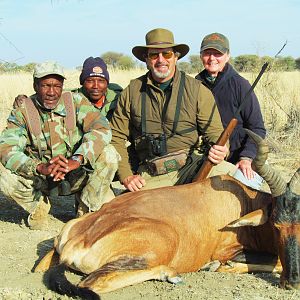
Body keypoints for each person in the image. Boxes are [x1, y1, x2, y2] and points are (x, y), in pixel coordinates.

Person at [110, 28, 236, 193]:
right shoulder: (132, 91)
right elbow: (116, 137)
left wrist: (221, 150)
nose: (161, 60)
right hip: (151, 175)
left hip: (193, 167)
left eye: (167, 54)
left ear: (176, 57)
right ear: (146, 59)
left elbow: (216, 134)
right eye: (154, 55)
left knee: (241, 181)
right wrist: (126, 175)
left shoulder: (197, 90)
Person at [0, 61, 120, 230]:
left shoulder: (76, 102)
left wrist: (77, 159)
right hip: (41, 178)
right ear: (35, 85)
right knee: (3, 170)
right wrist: (39, 167)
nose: (51, 92)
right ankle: (38, 206)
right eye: (45, 85)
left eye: (57, 86)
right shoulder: (22, 111)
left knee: (109, 153)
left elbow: (102, 128)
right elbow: (7, 149)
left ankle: (86, 208)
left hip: (76, 173)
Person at [195, 33, 266, 189]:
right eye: (207, 53)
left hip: (238, 159)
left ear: (227, 56)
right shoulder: (194, 85)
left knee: (246, 189)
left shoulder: (241, 85)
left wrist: (247, 157)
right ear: (201, 56)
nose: (212, 58)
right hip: (204, 158)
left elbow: (257, 128)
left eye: (218, 53)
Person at [74, 56, 123, 121]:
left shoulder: (120, 100)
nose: (96, 86)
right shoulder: (72, 102)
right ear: (82, 82)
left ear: (107, 83)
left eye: (101, 81)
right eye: (90, 81)